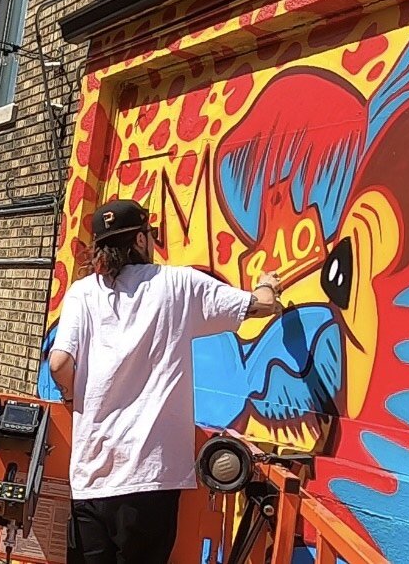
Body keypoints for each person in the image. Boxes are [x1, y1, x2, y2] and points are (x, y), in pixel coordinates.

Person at [50, 199, 282, 564]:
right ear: (141, 240)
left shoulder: (82, 292)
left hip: (91, 478)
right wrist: (268, 285)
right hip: (151, 480)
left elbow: (59, 362)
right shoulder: (177, 284)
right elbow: (257, 306)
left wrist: (70, 396)